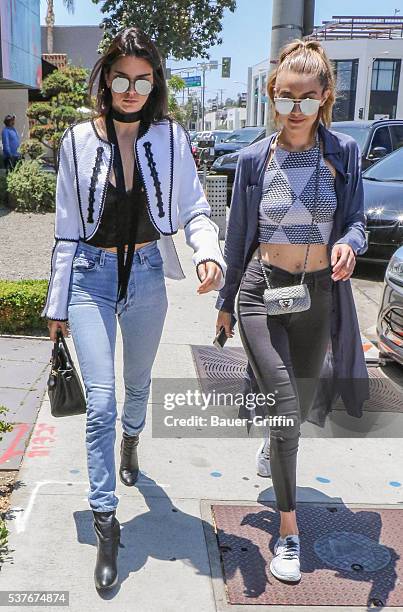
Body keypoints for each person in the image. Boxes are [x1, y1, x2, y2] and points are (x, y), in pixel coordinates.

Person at [41, 26, 226, 591]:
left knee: (137, 385)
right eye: (120, 78)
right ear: (104, 79)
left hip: (148, 275)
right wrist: (56, 302)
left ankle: (132, 438)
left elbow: (194, 205)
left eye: (142, 80)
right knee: (100, 399)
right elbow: (67, 230)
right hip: (91, 280)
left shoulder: (170, 137)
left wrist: (206, 253)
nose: (130, 90)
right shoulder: (75, 141)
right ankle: (105, 521)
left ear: (154, 84)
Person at [215, 39, 368, 584]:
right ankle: (288, 534)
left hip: (316, 297)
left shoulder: (343, 153)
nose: (296, 109)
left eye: (307, 97)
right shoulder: (255, 158)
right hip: (261, 292)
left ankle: (273, 440)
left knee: (295, 409)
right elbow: (237, 240)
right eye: (285, 97)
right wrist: (225, 305)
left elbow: (355, 221)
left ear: (325, 97)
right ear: (270, 97)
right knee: (285, 411)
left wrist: (350, 242)